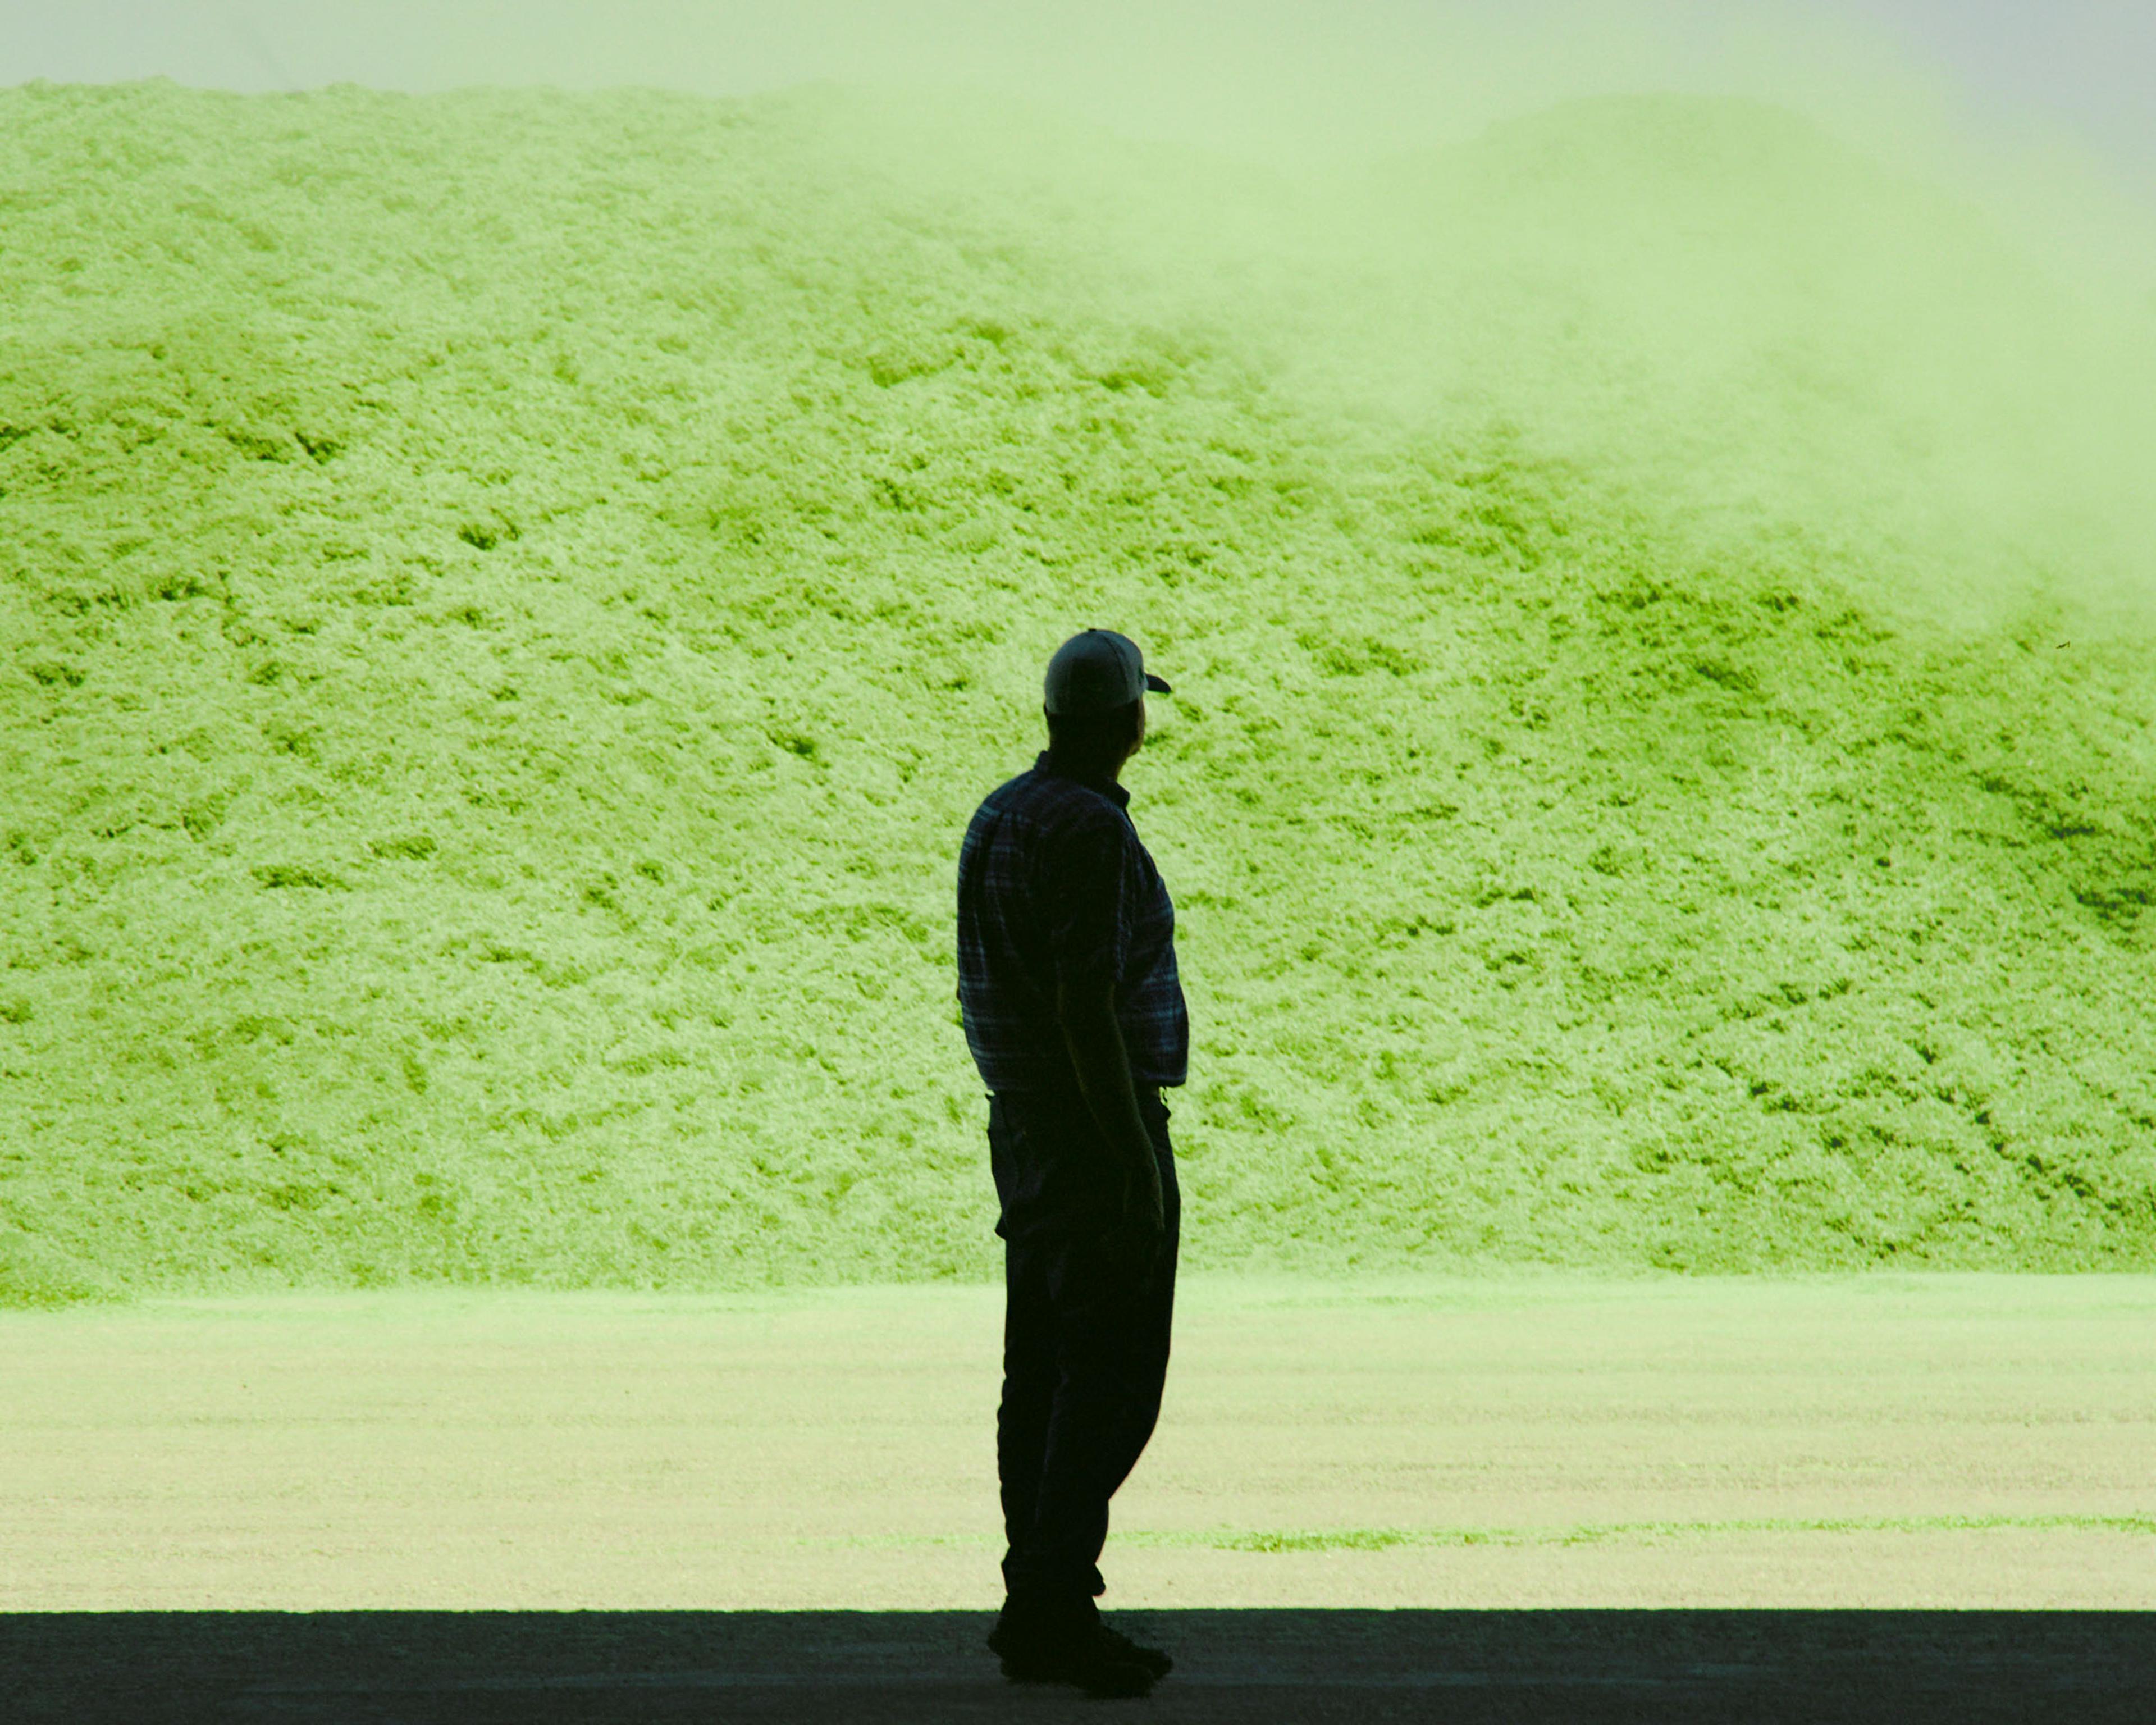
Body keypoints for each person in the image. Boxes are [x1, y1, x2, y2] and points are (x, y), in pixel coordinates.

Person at [954, 628, 1187, 1698]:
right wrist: (1133, 1157)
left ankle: (1037, 1602)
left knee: (1042, 1373)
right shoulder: (1090, 829)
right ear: (1129, 720)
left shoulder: (1002, 812)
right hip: (1093, 1129)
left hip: (1025, 1125)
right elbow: (1085, 1006)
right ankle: (1052, 1605)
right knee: (1111, 1383)